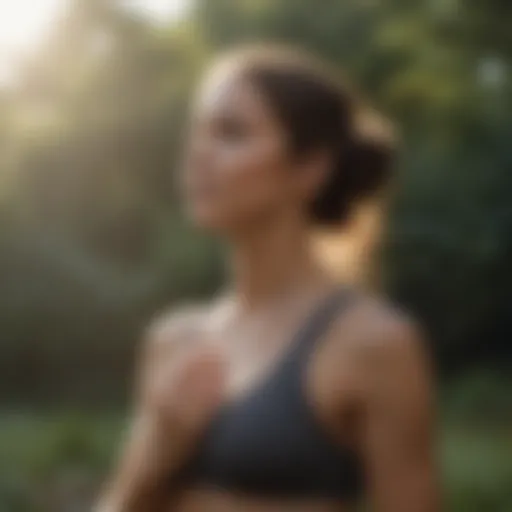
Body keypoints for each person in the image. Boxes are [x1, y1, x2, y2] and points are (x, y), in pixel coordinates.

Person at [97, 44, 439, 512]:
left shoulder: (375, 344)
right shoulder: (171, 340)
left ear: (310, 168)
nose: (197, 153)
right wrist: (156, 450)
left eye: (231, 133)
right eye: (196, 132)